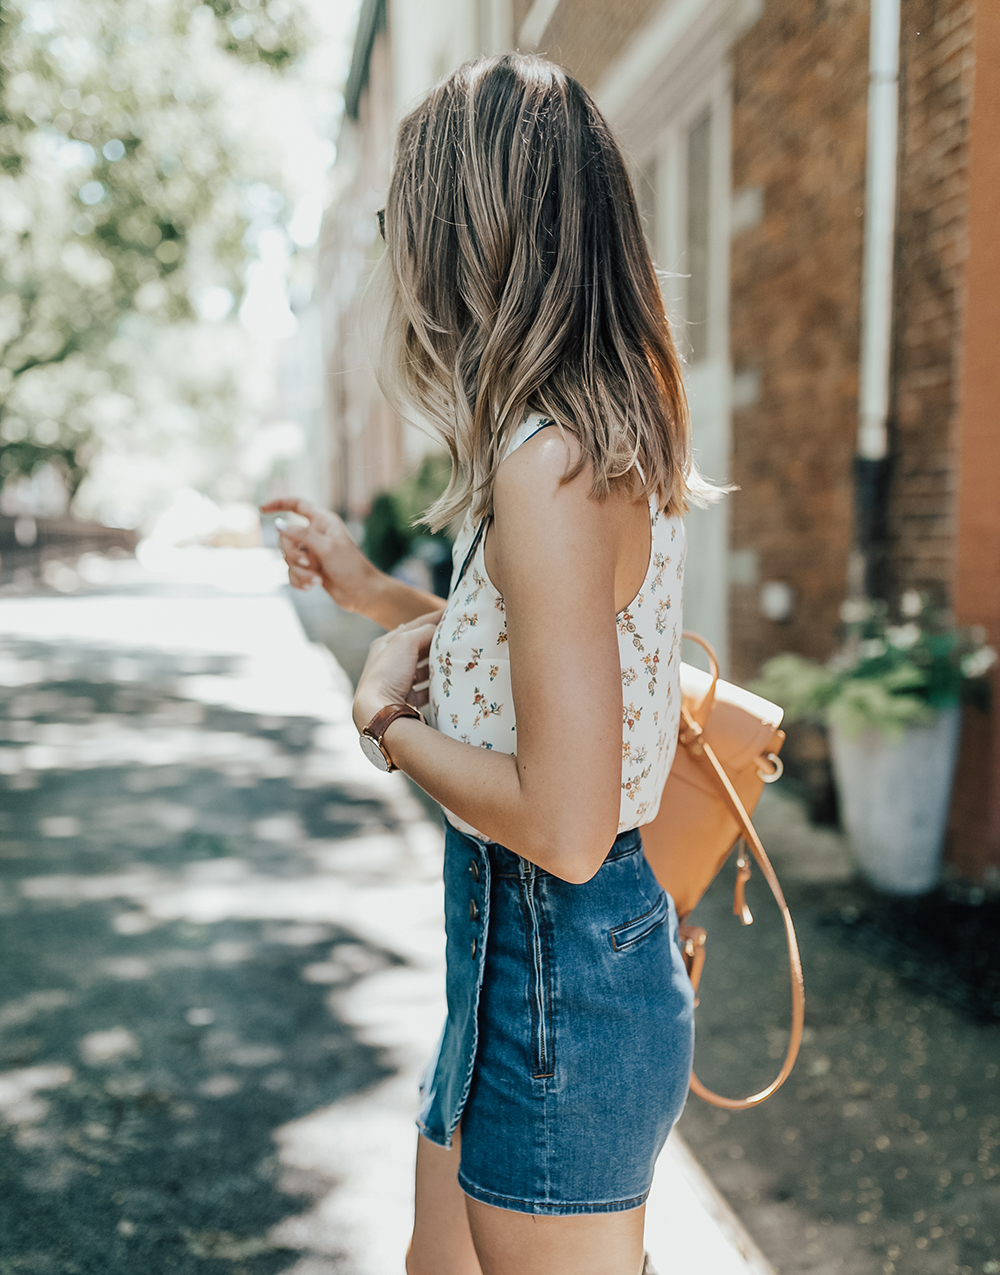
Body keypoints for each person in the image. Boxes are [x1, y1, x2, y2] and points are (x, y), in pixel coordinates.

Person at [264, 52, 711, 1275]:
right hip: (524, 961)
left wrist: (380, 724)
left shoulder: (547, 459)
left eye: (400, 217)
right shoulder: (583, 431)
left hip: (556, 960)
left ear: (471, 230)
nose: (394, 250)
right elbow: (543, 668)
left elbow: (562, 828)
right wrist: (372, 596)